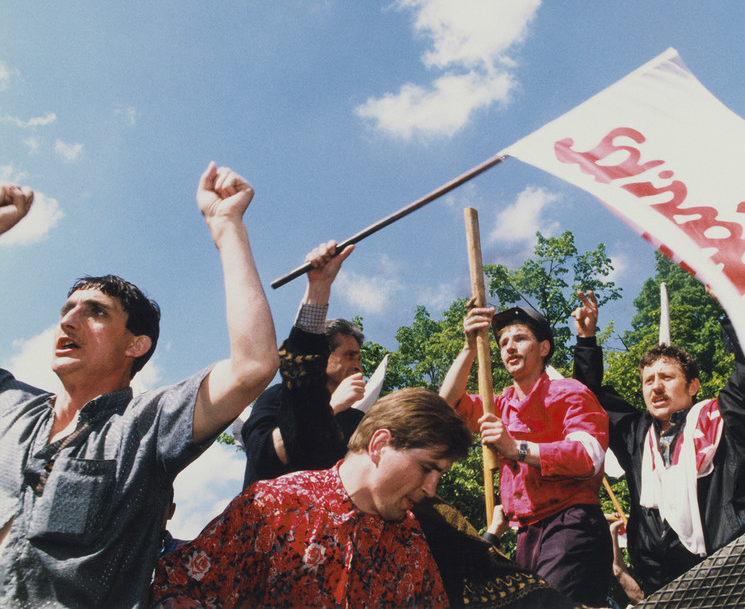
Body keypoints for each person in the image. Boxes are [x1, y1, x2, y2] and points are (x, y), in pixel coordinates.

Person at [0, 167, 279, 607]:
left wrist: (227, 228)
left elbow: (252, 366)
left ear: (136, 344)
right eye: (67, 308)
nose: (68, 320)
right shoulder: (10, 407)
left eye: (95, 312)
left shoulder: (147, 428)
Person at [151, 388, 471, 607]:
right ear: (380, 444)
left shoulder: (411, 542)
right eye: (427, 468)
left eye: (439, 475)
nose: (431, 488)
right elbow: (177, 588)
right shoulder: (271, 506)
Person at [572, 289, 745, 594]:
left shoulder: (726, 421)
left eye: (667, 377)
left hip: (732, 576)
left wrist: (728, 305)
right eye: (648, 380)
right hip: (660, 584)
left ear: (693, 386)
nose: (656, 387)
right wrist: (586, 340)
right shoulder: (635, 435)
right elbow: (588, 398)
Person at [439, 303, 612, 607]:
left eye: (519, 339)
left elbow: (589, 456)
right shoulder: (499, 404)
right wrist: (469, 346)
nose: (509, 348)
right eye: (503, 343)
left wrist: (514, 448)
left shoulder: (570, 392)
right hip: (526, 532)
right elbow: (445, 407)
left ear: (544, 348)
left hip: (570, 524)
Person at [240, 240, 367, 489]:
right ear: (323, 356)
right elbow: (263, 458)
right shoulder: (276, 399)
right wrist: (331, 407)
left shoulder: (359, 422)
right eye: (350, 355)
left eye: (359, 358)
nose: (358, 366)